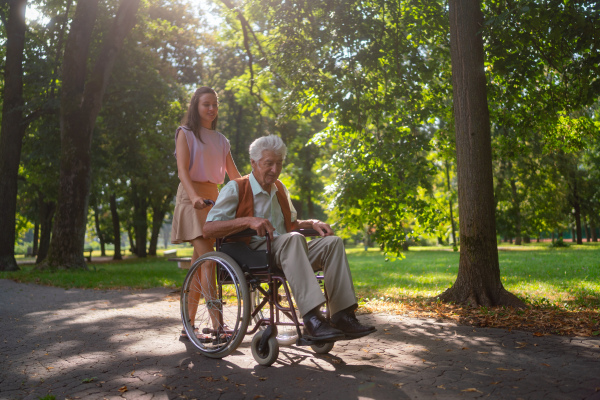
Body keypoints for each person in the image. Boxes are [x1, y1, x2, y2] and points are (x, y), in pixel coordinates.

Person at [203, 135, 376, 342]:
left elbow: (292, 223)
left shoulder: (280, 190)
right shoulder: (236, 188)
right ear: (253, 163)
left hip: (288, 251)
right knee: (293, 240)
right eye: (269, 164)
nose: (275, 170)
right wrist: (248, 221)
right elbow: (209, 229)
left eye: (279, 163)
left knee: (333, 243)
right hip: (254, 256)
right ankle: (312, 318)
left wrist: (312, 223)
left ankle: (342, 315)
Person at [171, 87, 241, 340]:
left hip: (214, 201)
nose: (211, 109)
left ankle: (187, 327)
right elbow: (182, 172)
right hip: (192, 200)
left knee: (199, 265)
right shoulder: (186, 133)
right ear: (196, 106)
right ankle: (219, 325)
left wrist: (257, 188)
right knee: (210, 260)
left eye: (215, 104)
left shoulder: (221, 140)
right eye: (206, 104)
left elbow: (235, 176)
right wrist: (195, 197)